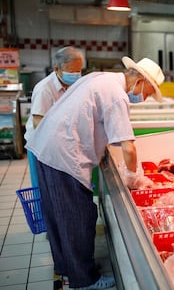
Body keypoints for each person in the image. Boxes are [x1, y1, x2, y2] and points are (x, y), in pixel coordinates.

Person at [25, 57, 165, 290]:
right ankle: (83, 280)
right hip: (63, 156)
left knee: (58, 218)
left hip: (46, 149)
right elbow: (128, 147)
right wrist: (134, 177)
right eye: (148, 92)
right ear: (140, 80)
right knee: (78, 218)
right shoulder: (117, 95)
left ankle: (64, 268)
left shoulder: (100, 77)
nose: (145, 98)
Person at [24, 46, 85, 189]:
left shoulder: (73, 85)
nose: (76, 75)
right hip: (41, 147)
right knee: (44, 188)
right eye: (72, 71)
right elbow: (38, 125)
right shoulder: (45, 89)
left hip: (59, 145)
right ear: (56, 69)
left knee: (59, 189)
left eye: (79, 71)